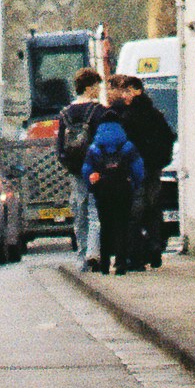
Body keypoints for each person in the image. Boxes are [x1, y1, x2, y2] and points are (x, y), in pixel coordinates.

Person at [110, 71, 175, 271]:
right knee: (153, 207)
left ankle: (135, 256)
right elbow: (169, 137)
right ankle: (155, 245)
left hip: (136, 169)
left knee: (134, 211)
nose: (124, 96)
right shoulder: (155, 114)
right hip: (154, 168)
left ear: (138, 91)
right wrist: (160, 160)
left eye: (128, 92)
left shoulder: (127, 117)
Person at [80, 96, 145, 274]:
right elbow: (138, 169)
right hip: (123, 189)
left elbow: (86, 170)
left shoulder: (95, 147)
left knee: (105, 226)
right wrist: (134, 185)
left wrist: (92, 185)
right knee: (122, 225)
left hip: (103, 190)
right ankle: (121, 263)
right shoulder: (127, 145)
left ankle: (104, 264)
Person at [55, 64, 105, 265]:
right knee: (95, 211)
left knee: (79, 212)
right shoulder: (98, 111)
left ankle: (82, 256)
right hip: (95, 168)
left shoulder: (65, 113)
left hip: (75, 169)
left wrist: (67, 164)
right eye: (97, 86)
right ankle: (93, 252)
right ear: (89, 87)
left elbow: (59, 145)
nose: (99, 89)